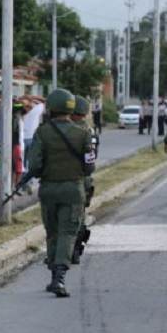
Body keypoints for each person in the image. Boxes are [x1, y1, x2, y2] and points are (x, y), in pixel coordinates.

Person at [25, 88, 95, 298]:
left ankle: (54, 273)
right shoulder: (83, 133)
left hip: (48, 189)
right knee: (67, 232)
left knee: (53, 231)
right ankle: (59, 277)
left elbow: (35, 165)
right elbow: (90, 167)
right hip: (73, 189)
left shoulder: (42, 132)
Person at [70, 96, 97, 265]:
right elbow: (91, 161)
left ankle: (63, 251)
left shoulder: (65, 129)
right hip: (84, 178)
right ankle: (76, 249)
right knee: (79, 215)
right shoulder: (89, 131)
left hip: (68, 178)